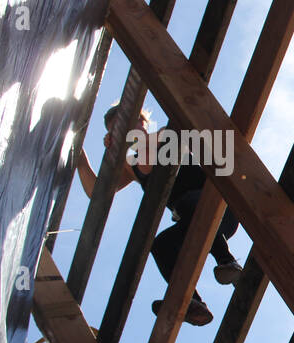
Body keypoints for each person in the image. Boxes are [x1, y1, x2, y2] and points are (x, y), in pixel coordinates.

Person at [75, 104, 242, 326]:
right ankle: (191, 302)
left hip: (221, 211)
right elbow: (96, 193)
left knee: (187, 203)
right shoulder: (131, 165)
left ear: (141, 123)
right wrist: (80, 159)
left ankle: (228, 262)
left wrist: (121, 146)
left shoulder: (167, 134)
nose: (121, 132)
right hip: (191, 225)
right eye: (115, 130)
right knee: (161, 245)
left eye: (124, 125)